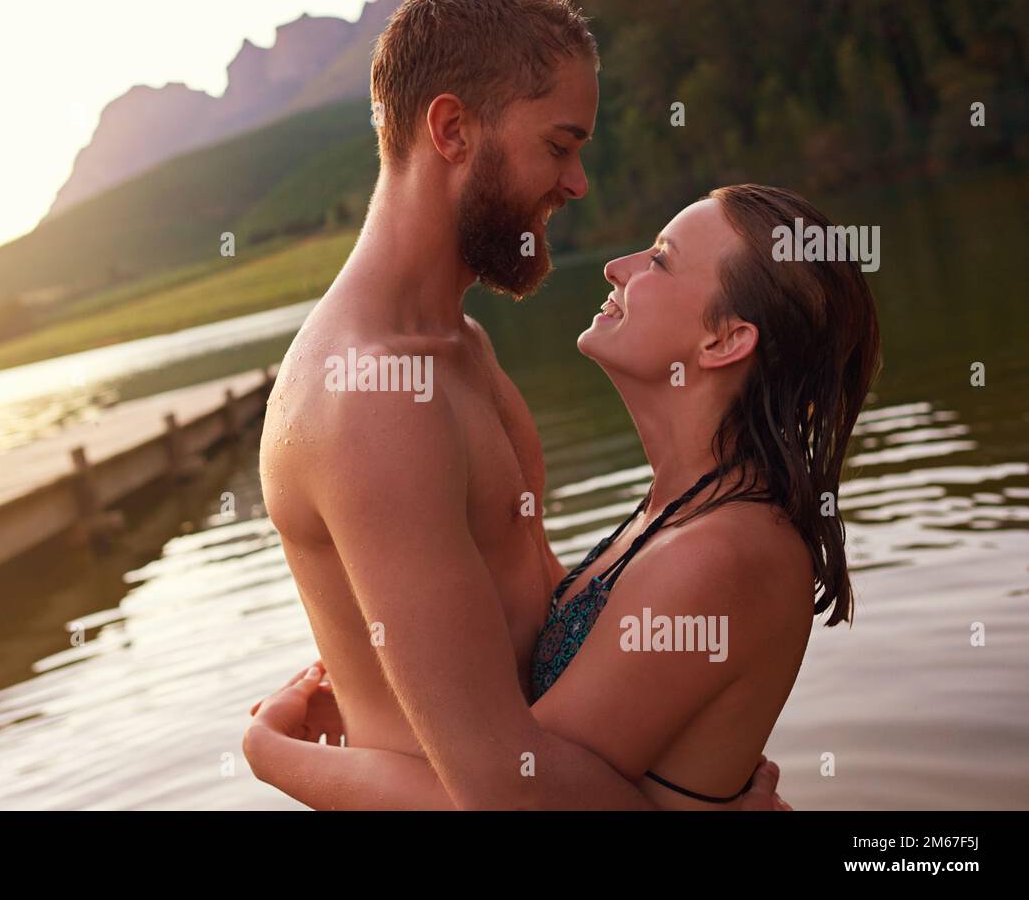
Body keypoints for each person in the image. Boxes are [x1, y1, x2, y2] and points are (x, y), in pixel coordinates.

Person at [247, 182, 879, 808]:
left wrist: (273, 754)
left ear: (724, 340)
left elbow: (510, 799)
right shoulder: (679, 514)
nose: (617, 267)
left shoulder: (718, 552)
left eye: (659, 260)